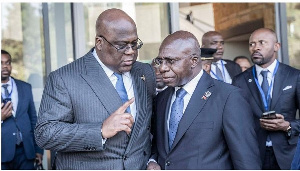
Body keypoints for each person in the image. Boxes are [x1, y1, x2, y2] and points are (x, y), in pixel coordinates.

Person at [35, 9, 156, 169]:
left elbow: (152, 128)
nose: (131, 52)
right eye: (121, 46)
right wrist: (100, 131)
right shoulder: (64, 78)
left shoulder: (145, 72)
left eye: (134, 44)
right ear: (99, 42)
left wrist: (152, 160)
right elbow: (45, 134)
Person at [147, 31, 261, 170]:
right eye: (160, 61)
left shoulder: (228, 97)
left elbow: (246, 161)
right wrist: (152, 160)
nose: (162, 68)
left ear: (194, 61)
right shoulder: (161, 99)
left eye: (171, 61)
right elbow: (161, 147)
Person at [232, 28, 300, 170]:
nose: (255, 47)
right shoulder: (239, 81)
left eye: (262, 43)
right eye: (251, 44)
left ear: (277, 46)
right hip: (253, 155)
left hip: (288, 155)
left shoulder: (294, 76)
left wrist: (287, 125)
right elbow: (235, 122)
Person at [1, 50, 43, 169]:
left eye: (8, 62)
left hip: (26, 152)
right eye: (1, 63)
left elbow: (34, 120)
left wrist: (38, 149)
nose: (5, 66)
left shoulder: (25, 87)